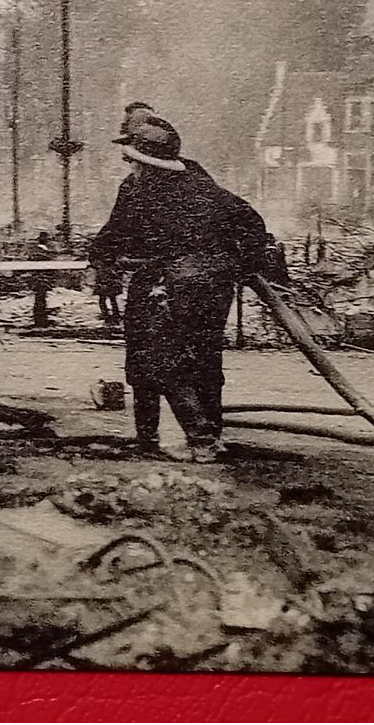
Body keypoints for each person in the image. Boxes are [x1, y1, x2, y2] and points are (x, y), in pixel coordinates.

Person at [88, 114, 268, 463]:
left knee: (155, 362)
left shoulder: (140, 190)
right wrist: (236, 266)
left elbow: (114, 235)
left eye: (131, 160)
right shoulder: (202, 184)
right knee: (204, 360)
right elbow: (251, 225)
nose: (129, 166)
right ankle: (207, 436)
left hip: (166, 286)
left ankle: (192, 440)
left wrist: (99, 259)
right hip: (210, 289)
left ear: (145, 163)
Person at [30, 231, 57, 327]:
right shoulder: (41, 252)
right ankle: (40, 320)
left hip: (41, 279)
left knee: (41, 299)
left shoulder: (40, 251)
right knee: (40, 299)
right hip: (40, 279)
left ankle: (41, 319)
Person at [92, 258, 123, 325]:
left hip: (107, 285)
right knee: (109, 300)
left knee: (106, 300)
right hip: (107, 285)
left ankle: (109, 314)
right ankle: (112, 314)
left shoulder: (104, 269)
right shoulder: (112, 268)